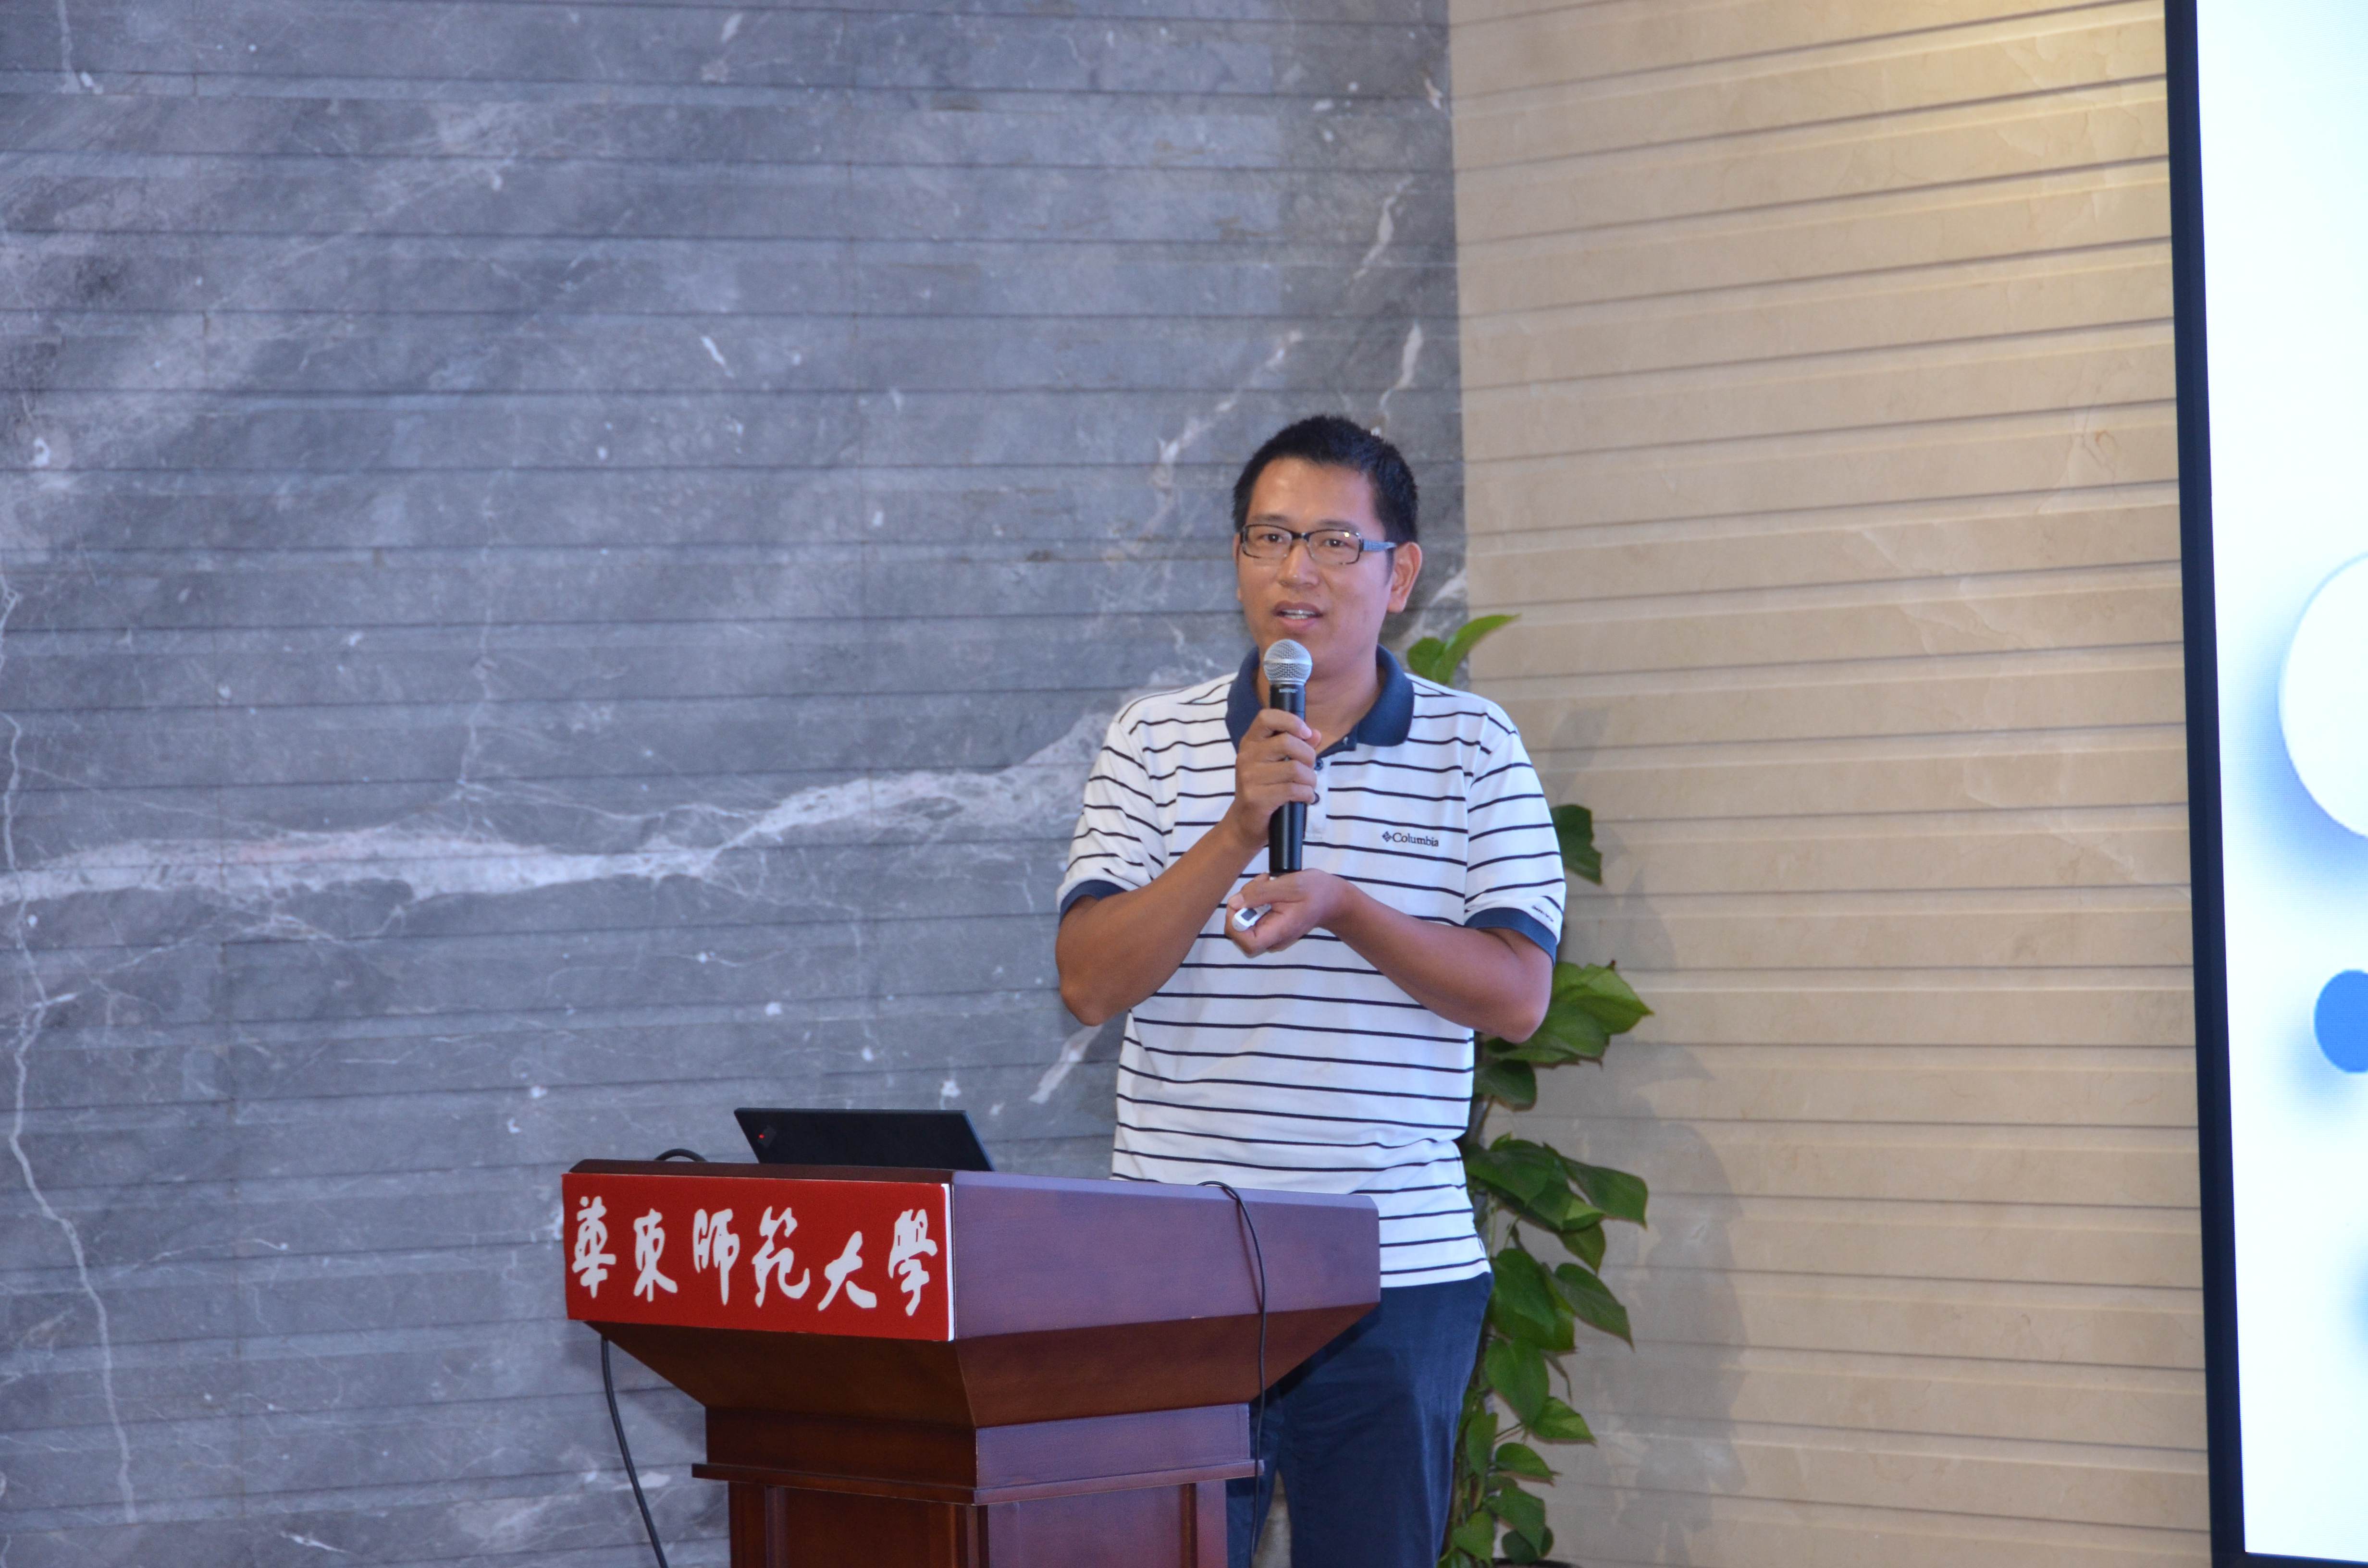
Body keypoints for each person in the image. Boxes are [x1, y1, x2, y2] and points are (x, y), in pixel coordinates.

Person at [1054, 416, 1567, 1568]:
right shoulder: (1152, 743)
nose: (1297, 571)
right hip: (1177, 1272)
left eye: (1335, 542)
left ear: (1400, 575)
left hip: (1394, 1275)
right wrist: (1239, 827)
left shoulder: (1475, 748)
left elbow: (1517, 996)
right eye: (1270, 537)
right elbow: (1089, 982)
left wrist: (1344, 906)